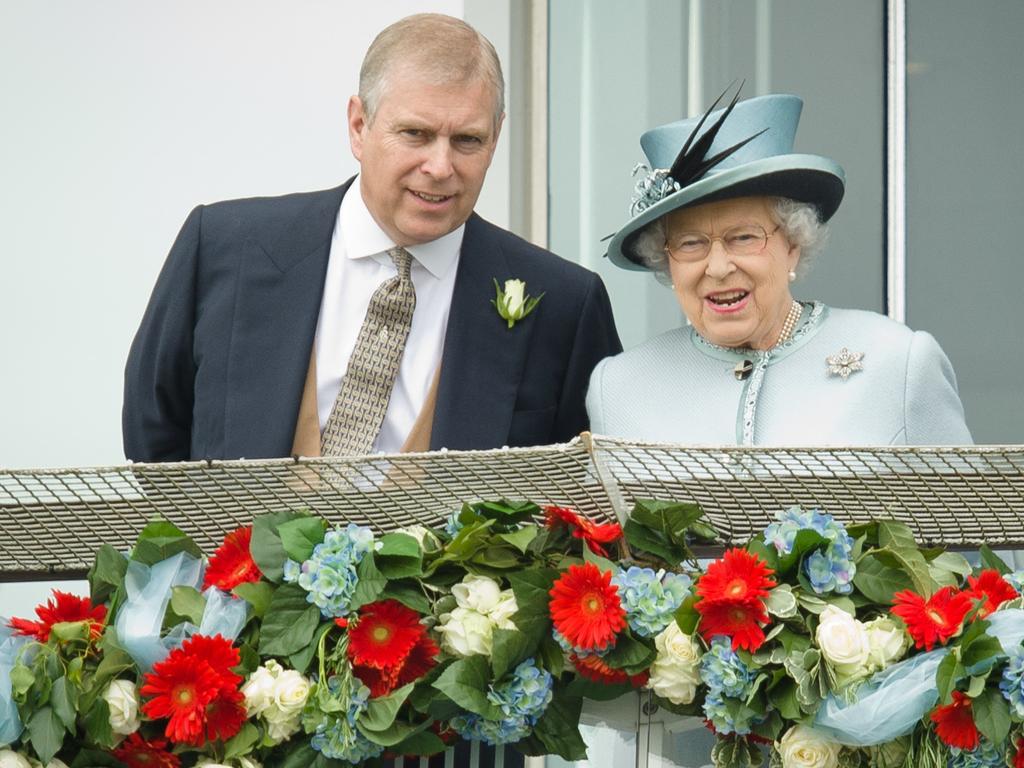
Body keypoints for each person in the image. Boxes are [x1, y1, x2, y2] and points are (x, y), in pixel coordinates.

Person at [123, 13, 620, 462]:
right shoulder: (223, 246)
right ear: (359, 126)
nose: (441, 167)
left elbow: (583, 490)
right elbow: (154, 432)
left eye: (468, 140)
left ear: (496, 135)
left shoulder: (566, 305)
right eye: (416, 134)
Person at [588, 90, 971, 445]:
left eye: (744, 237)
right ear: (666, 261)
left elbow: (967, 518)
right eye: (691, 244)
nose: (718, 268)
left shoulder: (897, 362)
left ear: (792, 244)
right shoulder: (619, 388)